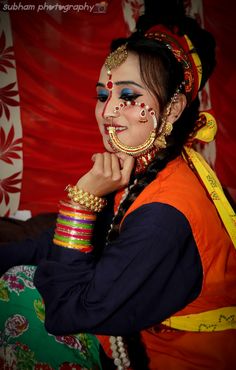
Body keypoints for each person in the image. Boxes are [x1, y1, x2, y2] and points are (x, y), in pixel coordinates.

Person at [1, 11, 236, 370]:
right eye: (101, 95)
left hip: (171, 358)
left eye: (128, 96)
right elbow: (78, 241)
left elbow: (68, 311)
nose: (106, 112)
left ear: (172, 108)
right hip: (131, 330)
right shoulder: (149, 164)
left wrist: (82, 202)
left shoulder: (164, 215)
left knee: (10, 300)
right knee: (14, 275)